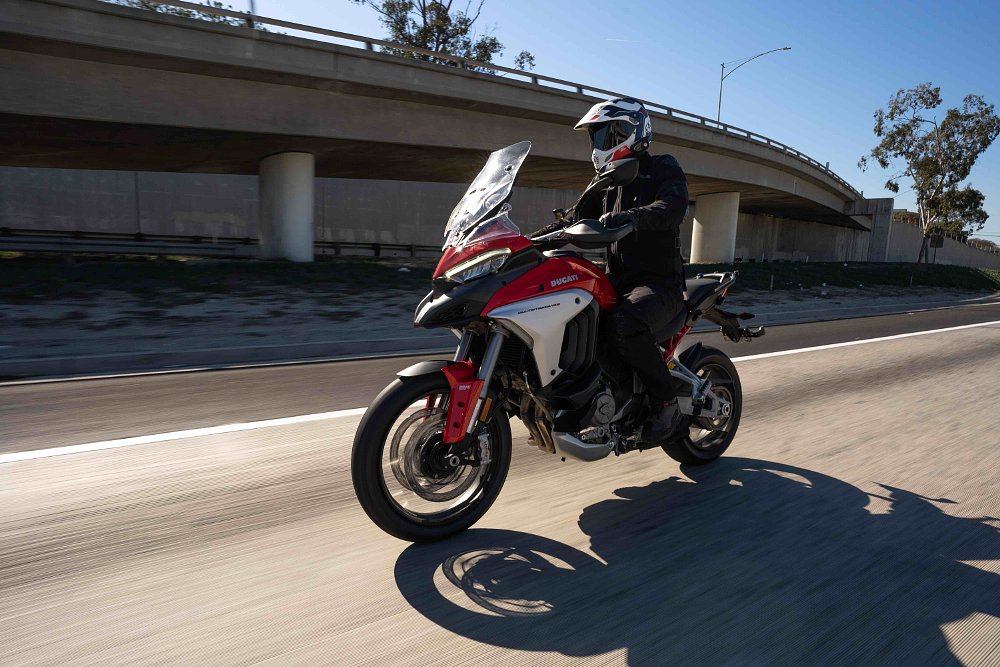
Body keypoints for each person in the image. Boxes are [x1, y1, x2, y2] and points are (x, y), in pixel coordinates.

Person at [573, 97, 690, 442]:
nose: (599, 147)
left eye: (607, 136)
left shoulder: (662, 167)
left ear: (632, 132)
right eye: (596, 138)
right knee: (577, 314)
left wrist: (631, 217)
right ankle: (601, 399)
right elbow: (577, 219)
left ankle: (665, 401)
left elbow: (673, 206)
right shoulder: (606, 181)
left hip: (659, 285)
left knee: (624, 325)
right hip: (618, 282)